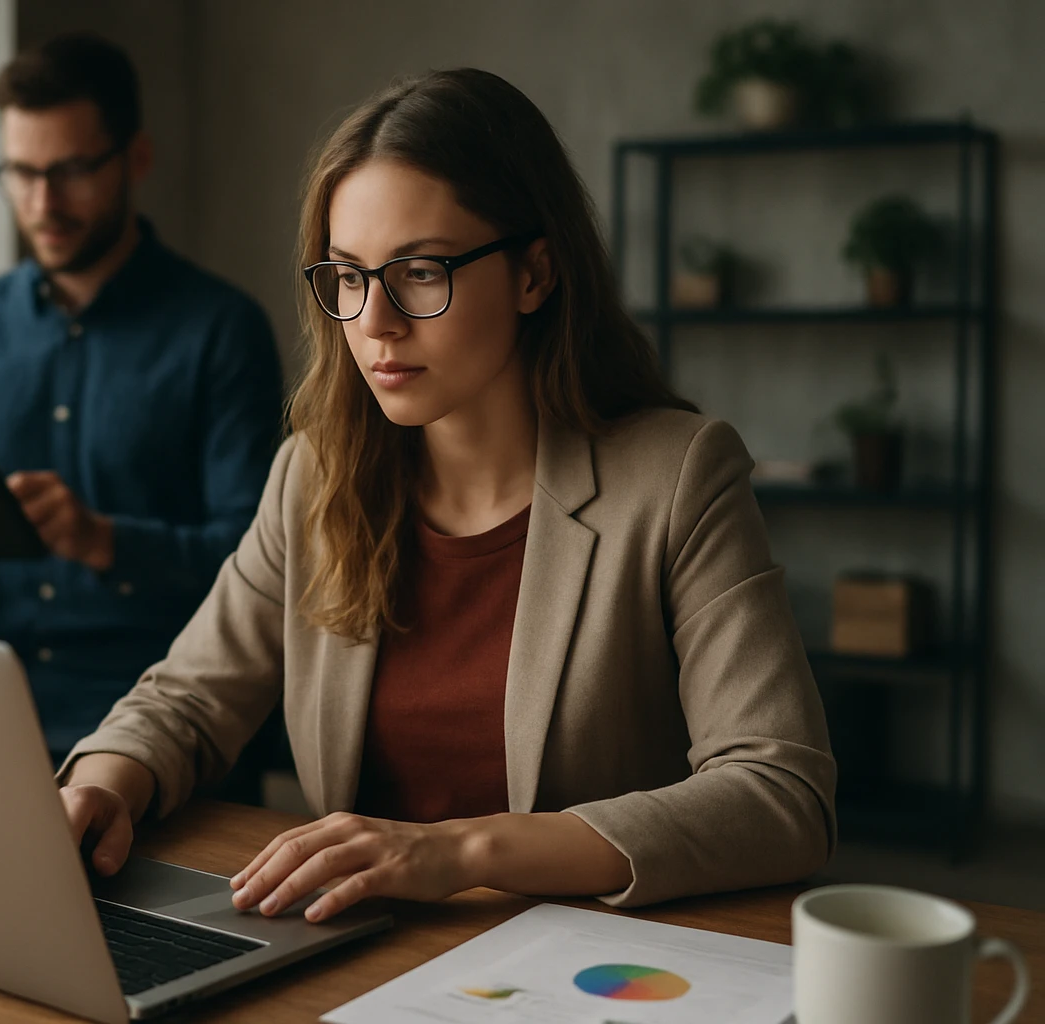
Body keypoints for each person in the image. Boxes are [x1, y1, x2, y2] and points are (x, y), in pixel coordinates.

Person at [55, 68, 837, 917]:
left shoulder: (678, 476)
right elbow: (190, 698)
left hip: (580, 969)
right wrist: (104, 781)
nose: (375, 322)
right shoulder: (314, 475)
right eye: (349, 277)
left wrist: (461, 849)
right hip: (357, 951)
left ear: (535, 275)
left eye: (420, 272)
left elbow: (779, 792)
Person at [0, 34, 283, 761]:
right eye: (20, 173)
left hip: (167, 729)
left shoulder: (221, 329)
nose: (42, 203)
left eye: (71, 171)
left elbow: (258, 565)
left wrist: (103, 541)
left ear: (136, 159)